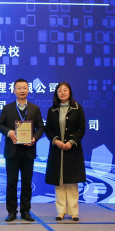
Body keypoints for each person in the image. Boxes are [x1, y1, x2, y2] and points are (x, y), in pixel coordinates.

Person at [0, 78, 45, 222]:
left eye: (24, 88)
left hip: (28, 151)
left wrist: (34, 138)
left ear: (28, 90)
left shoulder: (35, 108)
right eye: (19, 88)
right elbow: (0, 125)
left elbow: (41, 127)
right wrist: (9, 132)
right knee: (11, 183)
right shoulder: (7, 108)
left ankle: (25, 211)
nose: (22, 90)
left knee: (27, 183)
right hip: (12, 151)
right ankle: (11, 211)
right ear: (14, 90)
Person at [45, 82, 86, 221]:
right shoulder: (52, 110)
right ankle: (61, 211)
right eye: (59, 91)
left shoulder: (77, 108)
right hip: (57, 150)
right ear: (56, 93)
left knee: (72, 182)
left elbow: (81, 128)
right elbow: (48, 129)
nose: (62, 93)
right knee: (59, 182)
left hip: (72, 150)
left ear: (70, 92)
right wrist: (56, 141)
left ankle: (74, 212)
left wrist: (71, 142)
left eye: (65, 90)